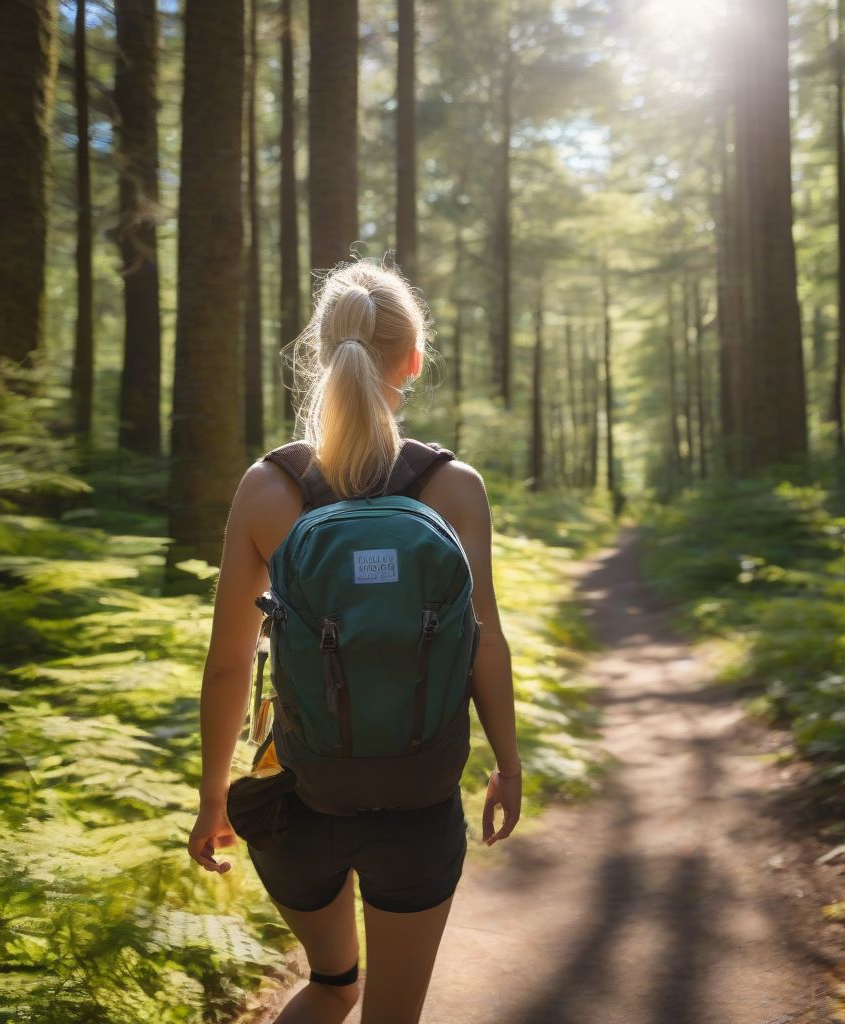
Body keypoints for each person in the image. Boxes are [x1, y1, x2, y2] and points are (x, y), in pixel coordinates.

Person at [187, 257, 522, 1024]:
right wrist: (507, 763)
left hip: (295, 799)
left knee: (334, 984)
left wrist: (214, 797)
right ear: (414, 360)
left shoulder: (268, 487)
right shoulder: (453, 487)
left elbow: (229, 662)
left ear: (319, 351)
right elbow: (484, 643)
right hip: (417, 799)